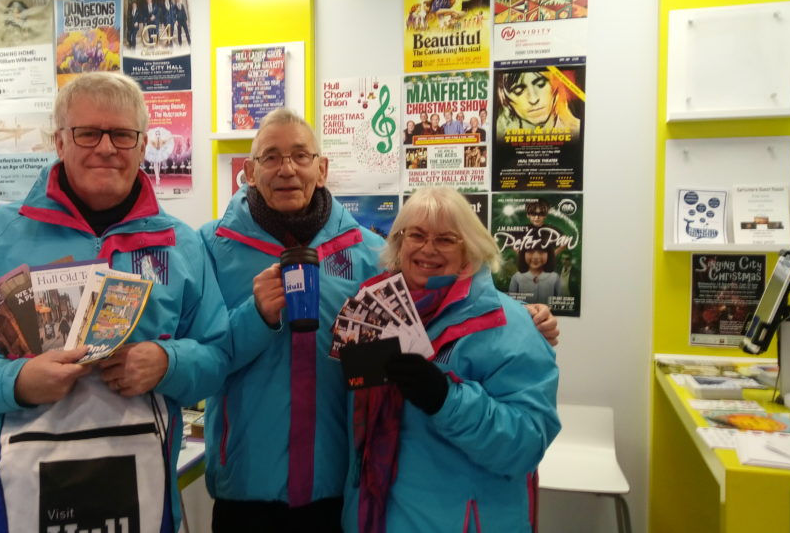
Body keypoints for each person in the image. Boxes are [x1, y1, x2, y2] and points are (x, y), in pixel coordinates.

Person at [199, 109, 561, 533]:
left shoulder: (371, 254)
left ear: (322, 167)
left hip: (338, 488)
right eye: (271, 157)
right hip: (246, 483)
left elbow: (446, 295)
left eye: (300, 155)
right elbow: (199, 363)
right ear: (249, 170)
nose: (287, 169)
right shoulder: (209, 247)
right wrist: (255, 317)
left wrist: (525, 317)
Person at [0, 72, 231, 533]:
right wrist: (15, 379)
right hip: (20, 495)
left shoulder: (181, 245)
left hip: (141, 494)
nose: (106, 147)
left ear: (142, 146)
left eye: (122, 134)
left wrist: (168, 361)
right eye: (87, 133)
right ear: (60, 141)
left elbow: (218, 354)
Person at [342, 186, 560, 532]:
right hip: (378, 516)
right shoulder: (375, 312)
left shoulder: (511, 324)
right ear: (399, 243)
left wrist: (446, 400)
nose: (428, 249)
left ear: (469, 249)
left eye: (445, 239)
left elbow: (527, 442)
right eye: (416, 235)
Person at [496, 69, 581, 135]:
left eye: (541, 84)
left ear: (556, 85)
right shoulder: (499, 137)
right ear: (503, 96)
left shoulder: (578, 131)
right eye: (518, 90)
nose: (533, 99)